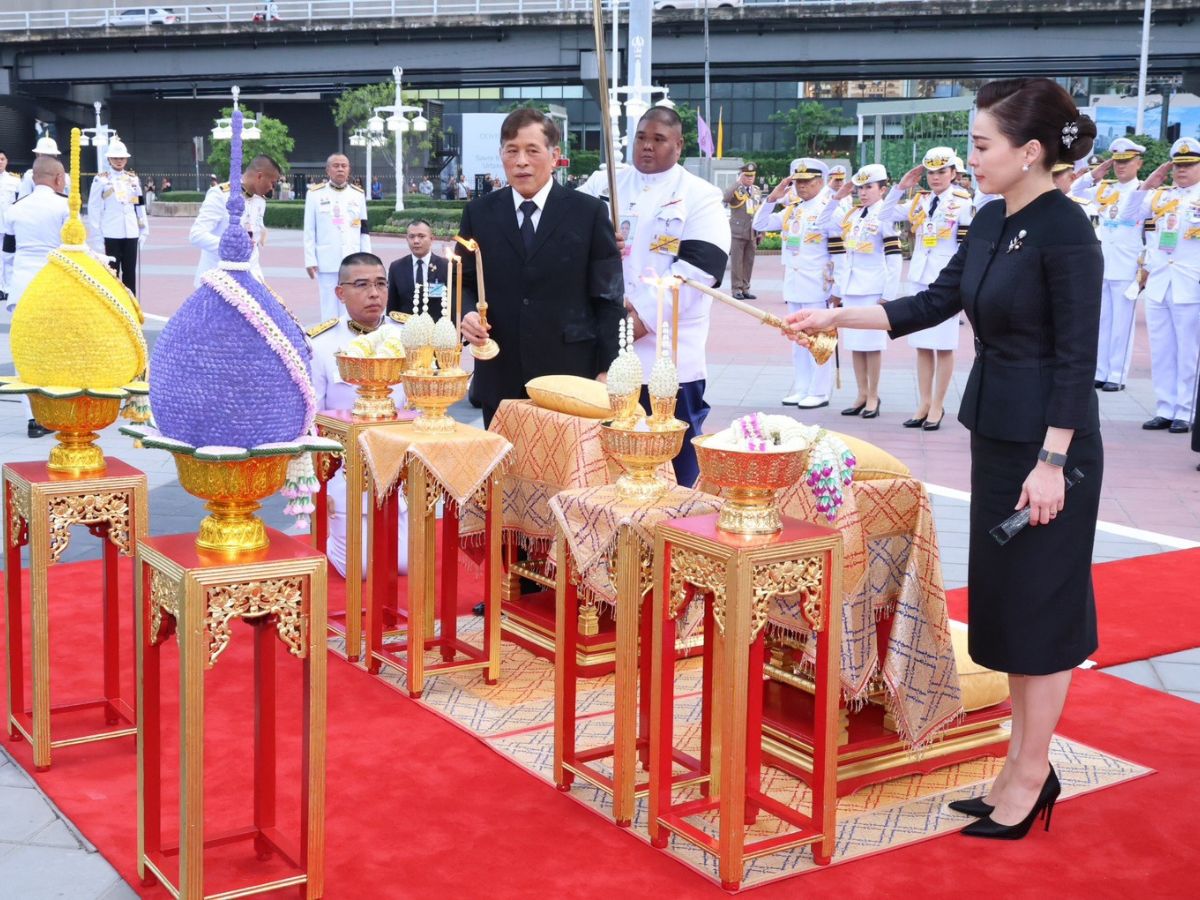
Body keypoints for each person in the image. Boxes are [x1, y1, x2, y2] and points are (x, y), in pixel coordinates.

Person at [787, 77, 1102, 841]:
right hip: (997, 433)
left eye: (983, 144)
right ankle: (1019, 764)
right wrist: (835, 313)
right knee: (1006, 606)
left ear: (1030, 152)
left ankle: (1031, 772)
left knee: (1042, 608)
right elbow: (933, 301)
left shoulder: (1067, 232)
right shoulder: (992, 220)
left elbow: (1075, 358)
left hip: (1049, 450)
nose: (972, 157)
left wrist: (1053, 461)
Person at [579, 106, 731, 486]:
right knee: (604, 458)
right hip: (601, 351)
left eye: (658, 139)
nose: (646, 147)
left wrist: (635, 320)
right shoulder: (603, 185)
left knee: (673, 463)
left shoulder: (701, 196)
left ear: (678, 145)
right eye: (641, 138)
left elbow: (699, 271)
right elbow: (564, 238)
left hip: (667, 356)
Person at [457, 107, 624, 429]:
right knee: (505, 474)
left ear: (554, 154)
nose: (521, 161)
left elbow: (608, 298)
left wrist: (607, 369)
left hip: (570, 376)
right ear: (501, 155)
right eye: (512, 151)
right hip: (500, 373)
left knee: (566, 476)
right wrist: (466, 314)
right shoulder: (479, 213)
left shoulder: (588, 213)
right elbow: (461, 281)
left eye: (532, 151)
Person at [308, 252, 408, 579]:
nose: (374, 294)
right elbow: (311, 421)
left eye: (380, 284)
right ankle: (325, 533)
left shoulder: (406, 336)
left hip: (398, 470)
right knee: (362, 569)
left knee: (405, 564)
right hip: (345, 472)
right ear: (340, 293)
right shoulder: (322, 345)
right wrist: (316, 486)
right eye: (362, 285)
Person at [886, 147, 974, 430]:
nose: (935, 177)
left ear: (953, 174)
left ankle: (938, 404)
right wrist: (901, 188)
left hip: (946, 281)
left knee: (944, 346)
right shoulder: (920, 201)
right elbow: (885, 214)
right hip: (919, 277)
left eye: (941, 171)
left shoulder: (962, 202)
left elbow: (966, 247)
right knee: (922, 345)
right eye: (931, 172)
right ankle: (923, 403)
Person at [753, 157, 843, 409]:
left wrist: (837, 288)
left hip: (818, 284)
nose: (801, 187)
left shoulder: (831, 209)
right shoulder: (794, 209)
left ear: (820, 181)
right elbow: (758, 224)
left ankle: (819, 390)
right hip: (794, 283)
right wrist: (772, 198)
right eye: (797, 182)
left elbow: (839, 252)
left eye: (807, 182)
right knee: (797, 338)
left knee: (819, 338)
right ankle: (802, 386)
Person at [1125, 138, 1200, 434]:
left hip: (1190, 283)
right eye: (1178, 166)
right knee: (1162, 349)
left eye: (1189, 165)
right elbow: (1130, 214)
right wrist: (1149, 183)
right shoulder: (1159, 196)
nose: (1182, 171)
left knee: (1189, 350)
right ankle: (1165, 407)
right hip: (1159, 282)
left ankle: (1187, 410)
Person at [1069, 138, 1147, 392]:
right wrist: (1097, 172)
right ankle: (1100, 370)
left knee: (1122, 324)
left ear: (1139, 163)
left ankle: (1117, 374)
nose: (1121, 166)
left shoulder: (1146, 193)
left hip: (1126, 266)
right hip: (1103, 265)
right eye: (1117, 162)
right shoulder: (1106, 190)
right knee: (1101, 321)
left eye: (1126, 161)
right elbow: (1075, 191)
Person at [824, 163, 902, 419]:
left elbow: (894, 258)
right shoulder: (852, 215)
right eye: (860, 188)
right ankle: (860, 393)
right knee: (856, 346)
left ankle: (873, 395)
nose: (863, 193)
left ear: (882, 189)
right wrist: (837, 197)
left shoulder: (885, 216)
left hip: (873, 289)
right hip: (852, 287)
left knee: (872, 345)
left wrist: (888, 294)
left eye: (869, 187)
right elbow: (822, 222)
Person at [3, 156, 70, 437]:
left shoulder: (14, 210)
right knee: (56, 351)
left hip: (21, 288)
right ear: (57, 179)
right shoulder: (66, 206)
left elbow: (6, 255)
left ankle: (33, 418)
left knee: (24, 353)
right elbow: (74, 251)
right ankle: (57, 409)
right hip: (53, 287)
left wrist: (8, 287)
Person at [189, 153, 280, 286]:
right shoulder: (221, 195)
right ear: (259, 176)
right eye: (272, 183)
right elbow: (196, 235)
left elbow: (253, 245)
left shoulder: (260, 201)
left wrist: (260, 282)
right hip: (217, 281)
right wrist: (231, 246)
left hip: (249, 280)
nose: (272, 188)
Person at [303, 152, 371, 321]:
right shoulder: (315, 194)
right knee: (329, 305)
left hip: (352, 258)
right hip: (327, 260)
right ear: (328, 170)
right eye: (336, 165)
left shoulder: (357, 194)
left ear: (349, 170)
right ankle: (329, 342)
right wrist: (310, 259)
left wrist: (368, 258)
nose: (340, 169)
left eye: (344, 166)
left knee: (352, 302)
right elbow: (309, 229)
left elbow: (363, 230)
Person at [86, 139, 148, 294]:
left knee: (130, 273)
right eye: (115, 158)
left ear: (126, 159)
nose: (119, 161)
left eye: (122, 158)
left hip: (131, 231)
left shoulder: (133, 179)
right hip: (111, 231)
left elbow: (138, 204)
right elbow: (94, 208)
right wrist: (96, 235)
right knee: (111, 273)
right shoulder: (101, 180)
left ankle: (131, 305)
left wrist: (143, 228)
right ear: (109, 159)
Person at [387, 218, 449, 317]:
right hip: (405, 327)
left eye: (421, 236)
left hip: (436, 327)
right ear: (406, 239)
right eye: (411, 237)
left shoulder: (445, 266)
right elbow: (392, 305)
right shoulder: (396, 267)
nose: (416, 241)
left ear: (432, 239)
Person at [723, 161, 761, 300]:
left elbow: (758, 212)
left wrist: (761, 232)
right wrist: (737, 183)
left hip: (752, 232)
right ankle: (736, 289)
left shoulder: (756, 190)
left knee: (748, 262)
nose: (750, 178)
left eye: (752, 176)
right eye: (746, 176)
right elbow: (725, 197)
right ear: (741, 176)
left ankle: (745, 288)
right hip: (737, 231)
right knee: (737, 262)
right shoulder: (736, 189)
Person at [0, 150, 22, 303]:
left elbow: (19, 203)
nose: (0, 162)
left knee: (8, 258)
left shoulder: (15, 181)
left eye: (2, 159)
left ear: (6, 161)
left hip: (8, 226)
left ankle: (7, 288)